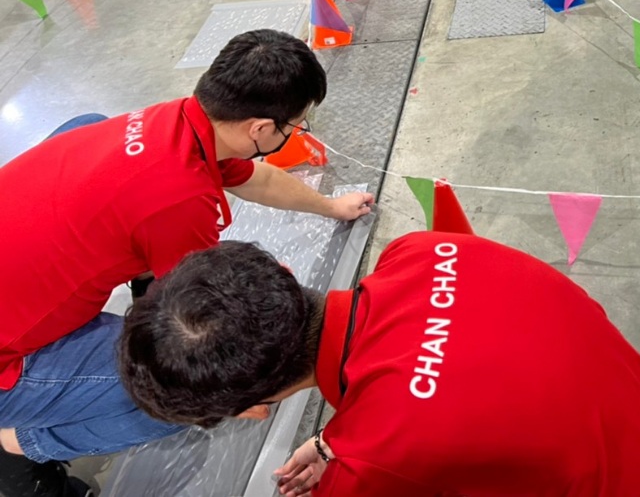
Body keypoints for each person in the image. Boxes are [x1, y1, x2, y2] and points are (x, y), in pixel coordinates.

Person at [0, 29, 375, 497]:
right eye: (296, 126)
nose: (296, 133)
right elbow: (214, 334)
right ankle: (18, 447)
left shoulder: (169, 123)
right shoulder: (178, 203)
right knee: (178, 390)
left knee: (88, 125)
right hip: (7, 363)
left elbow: (253, 178)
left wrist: (330, 206)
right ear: (260, 129)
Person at [118, 235, 640, 496]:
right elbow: (441, 368)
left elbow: (408, 421)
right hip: (625, 400)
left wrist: (353, 463)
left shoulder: (373, 463)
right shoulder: (418, 250)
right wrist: (338, 441)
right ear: (283, 273)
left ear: (252, 409)